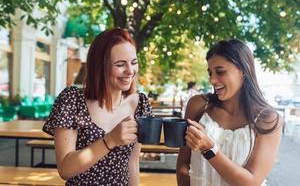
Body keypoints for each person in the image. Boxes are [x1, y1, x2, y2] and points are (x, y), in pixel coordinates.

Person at [42, 28, 152, 185]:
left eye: (133, 62)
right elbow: (65, 169)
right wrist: (111, 139)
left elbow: (133, 164)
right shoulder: (73, 99)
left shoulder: (140, 104)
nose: (130, 71)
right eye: (120, 64)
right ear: (100, 66)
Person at [176, 39, 283, 186]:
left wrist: (209, 148)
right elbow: (183, 164)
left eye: (220, 72)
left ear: (244, 71)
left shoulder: (269, 119)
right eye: (210, 73)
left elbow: (251, 182)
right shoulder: (198, 105)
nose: (212, 80)